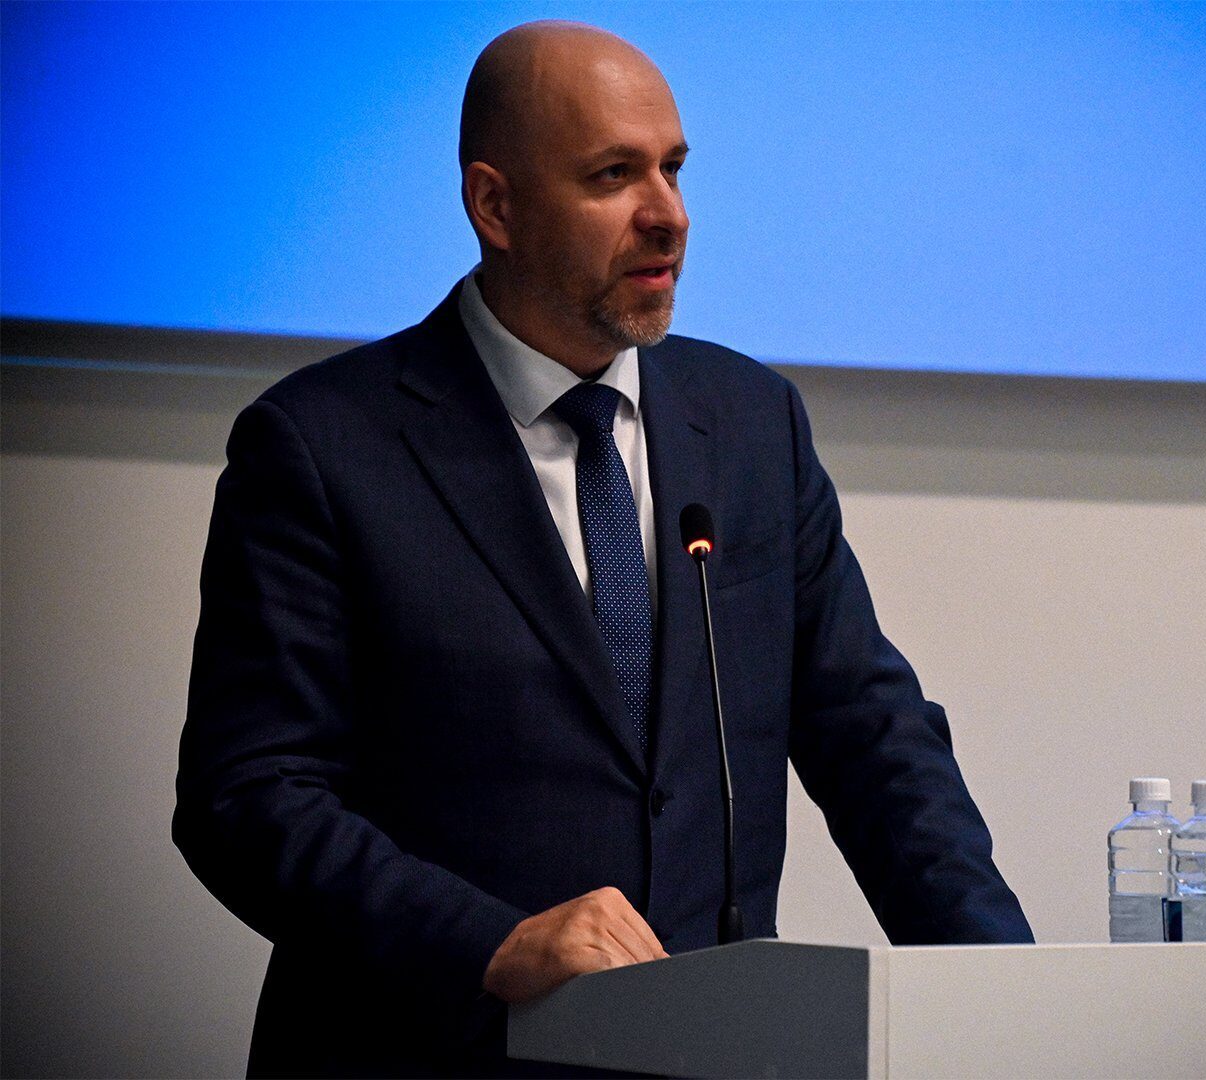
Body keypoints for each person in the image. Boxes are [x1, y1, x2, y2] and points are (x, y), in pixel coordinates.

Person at [174, 21, 1032, 1077]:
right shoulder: (323, 446)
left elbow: (873, 738)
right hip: (432, 1050)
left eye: (673, 169)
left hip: (708, 1052)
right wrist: (490, 943)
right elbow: (248, 798)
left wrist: (1006, 998)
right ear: (495, 206)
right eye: (613, 176)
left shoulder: (750, 422)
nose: (668, 215)